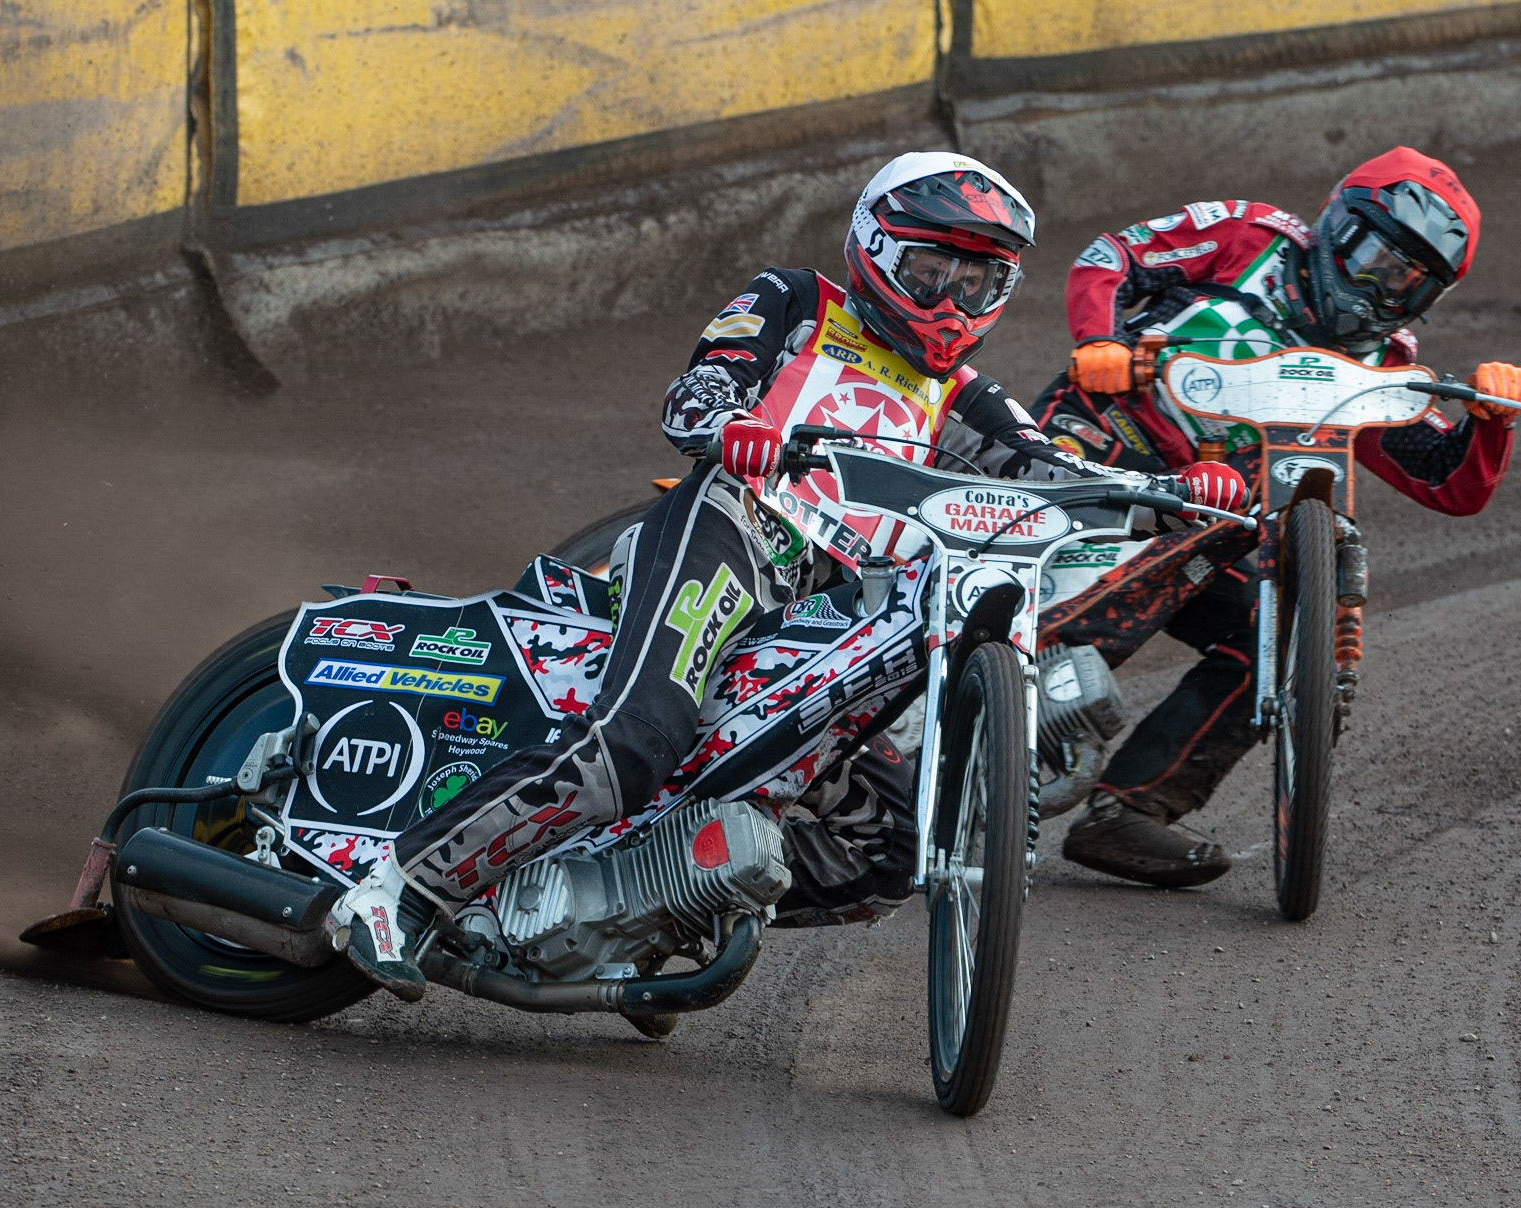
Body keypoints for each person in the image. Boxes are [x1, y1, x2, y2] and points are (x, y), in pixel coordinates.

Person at [326, 152, 1247, 999]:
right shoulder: (799, 302)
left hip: (839, 611)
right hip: (736, 531)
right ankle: (398, 891)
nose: (953, 296)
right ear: (878, 249)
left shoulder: (967, 399)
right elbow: (702, 386)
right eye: (934, 270)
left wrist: (1174, 493)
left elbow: (1059, 470)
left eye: (979, 279)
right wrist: (732, 425)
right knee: (634, 741)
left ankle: (649, 911)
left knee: (889, 845)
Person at [1030, 147, 1521, 889]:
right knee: (1144, 554)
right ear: (1336, 223)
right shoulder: (1250, 234)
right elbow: (1112, 255)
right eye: (1373, 257)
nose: (1380, 287)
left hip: (1209, 514)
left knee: (1271, 628)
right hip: (1099, 443)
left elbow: (1450, 487)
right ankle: (989, 713)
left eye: (1408, 280)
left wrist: (1493, 421)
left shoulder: (1380, 366)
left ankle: (1131, 810)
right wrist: (1098, 340)